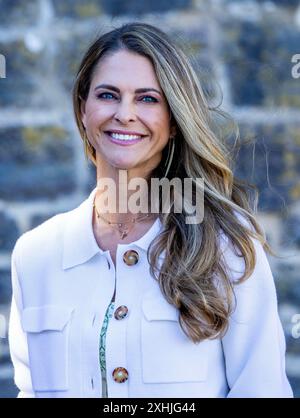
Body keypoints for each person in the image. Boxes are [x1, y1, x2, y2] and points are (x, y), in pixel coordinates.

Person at [8, 22, 293, 398]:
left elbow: (262, 390)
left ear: (173, 122)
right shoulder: (36, 255)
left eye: (147, 99)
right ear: (82, 109)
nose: (125, 114)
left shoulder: (227, 245)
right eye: (108, 95)